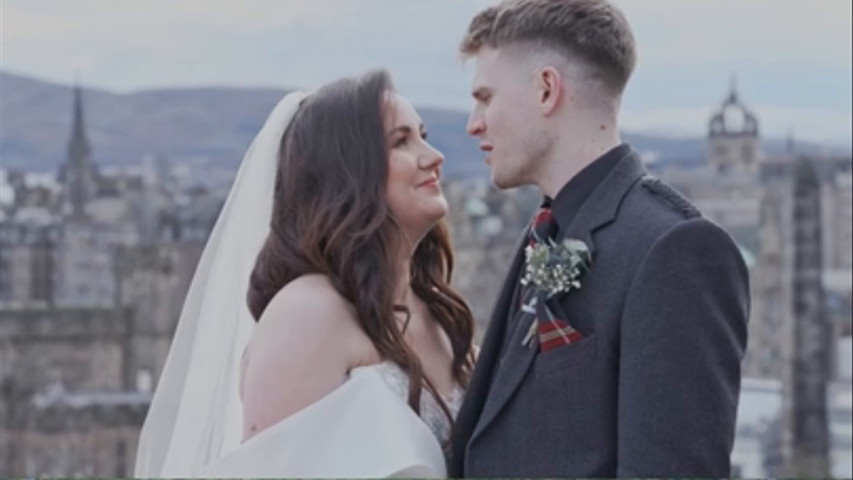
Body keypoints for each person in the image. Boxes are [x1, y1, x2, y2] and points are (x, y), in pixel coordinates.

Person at [449, 0, 749, 476]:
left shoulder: (675, 249)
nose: (473, 123)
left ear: (547, 89)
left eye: (486, 97)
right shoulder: (543, 229)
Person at [135, 70, 476, 477]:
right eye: (401, 141)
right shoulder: (309, 313)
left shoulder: (436, 311)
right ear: (350, 172)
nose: (433, 155)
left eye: (423, 134)